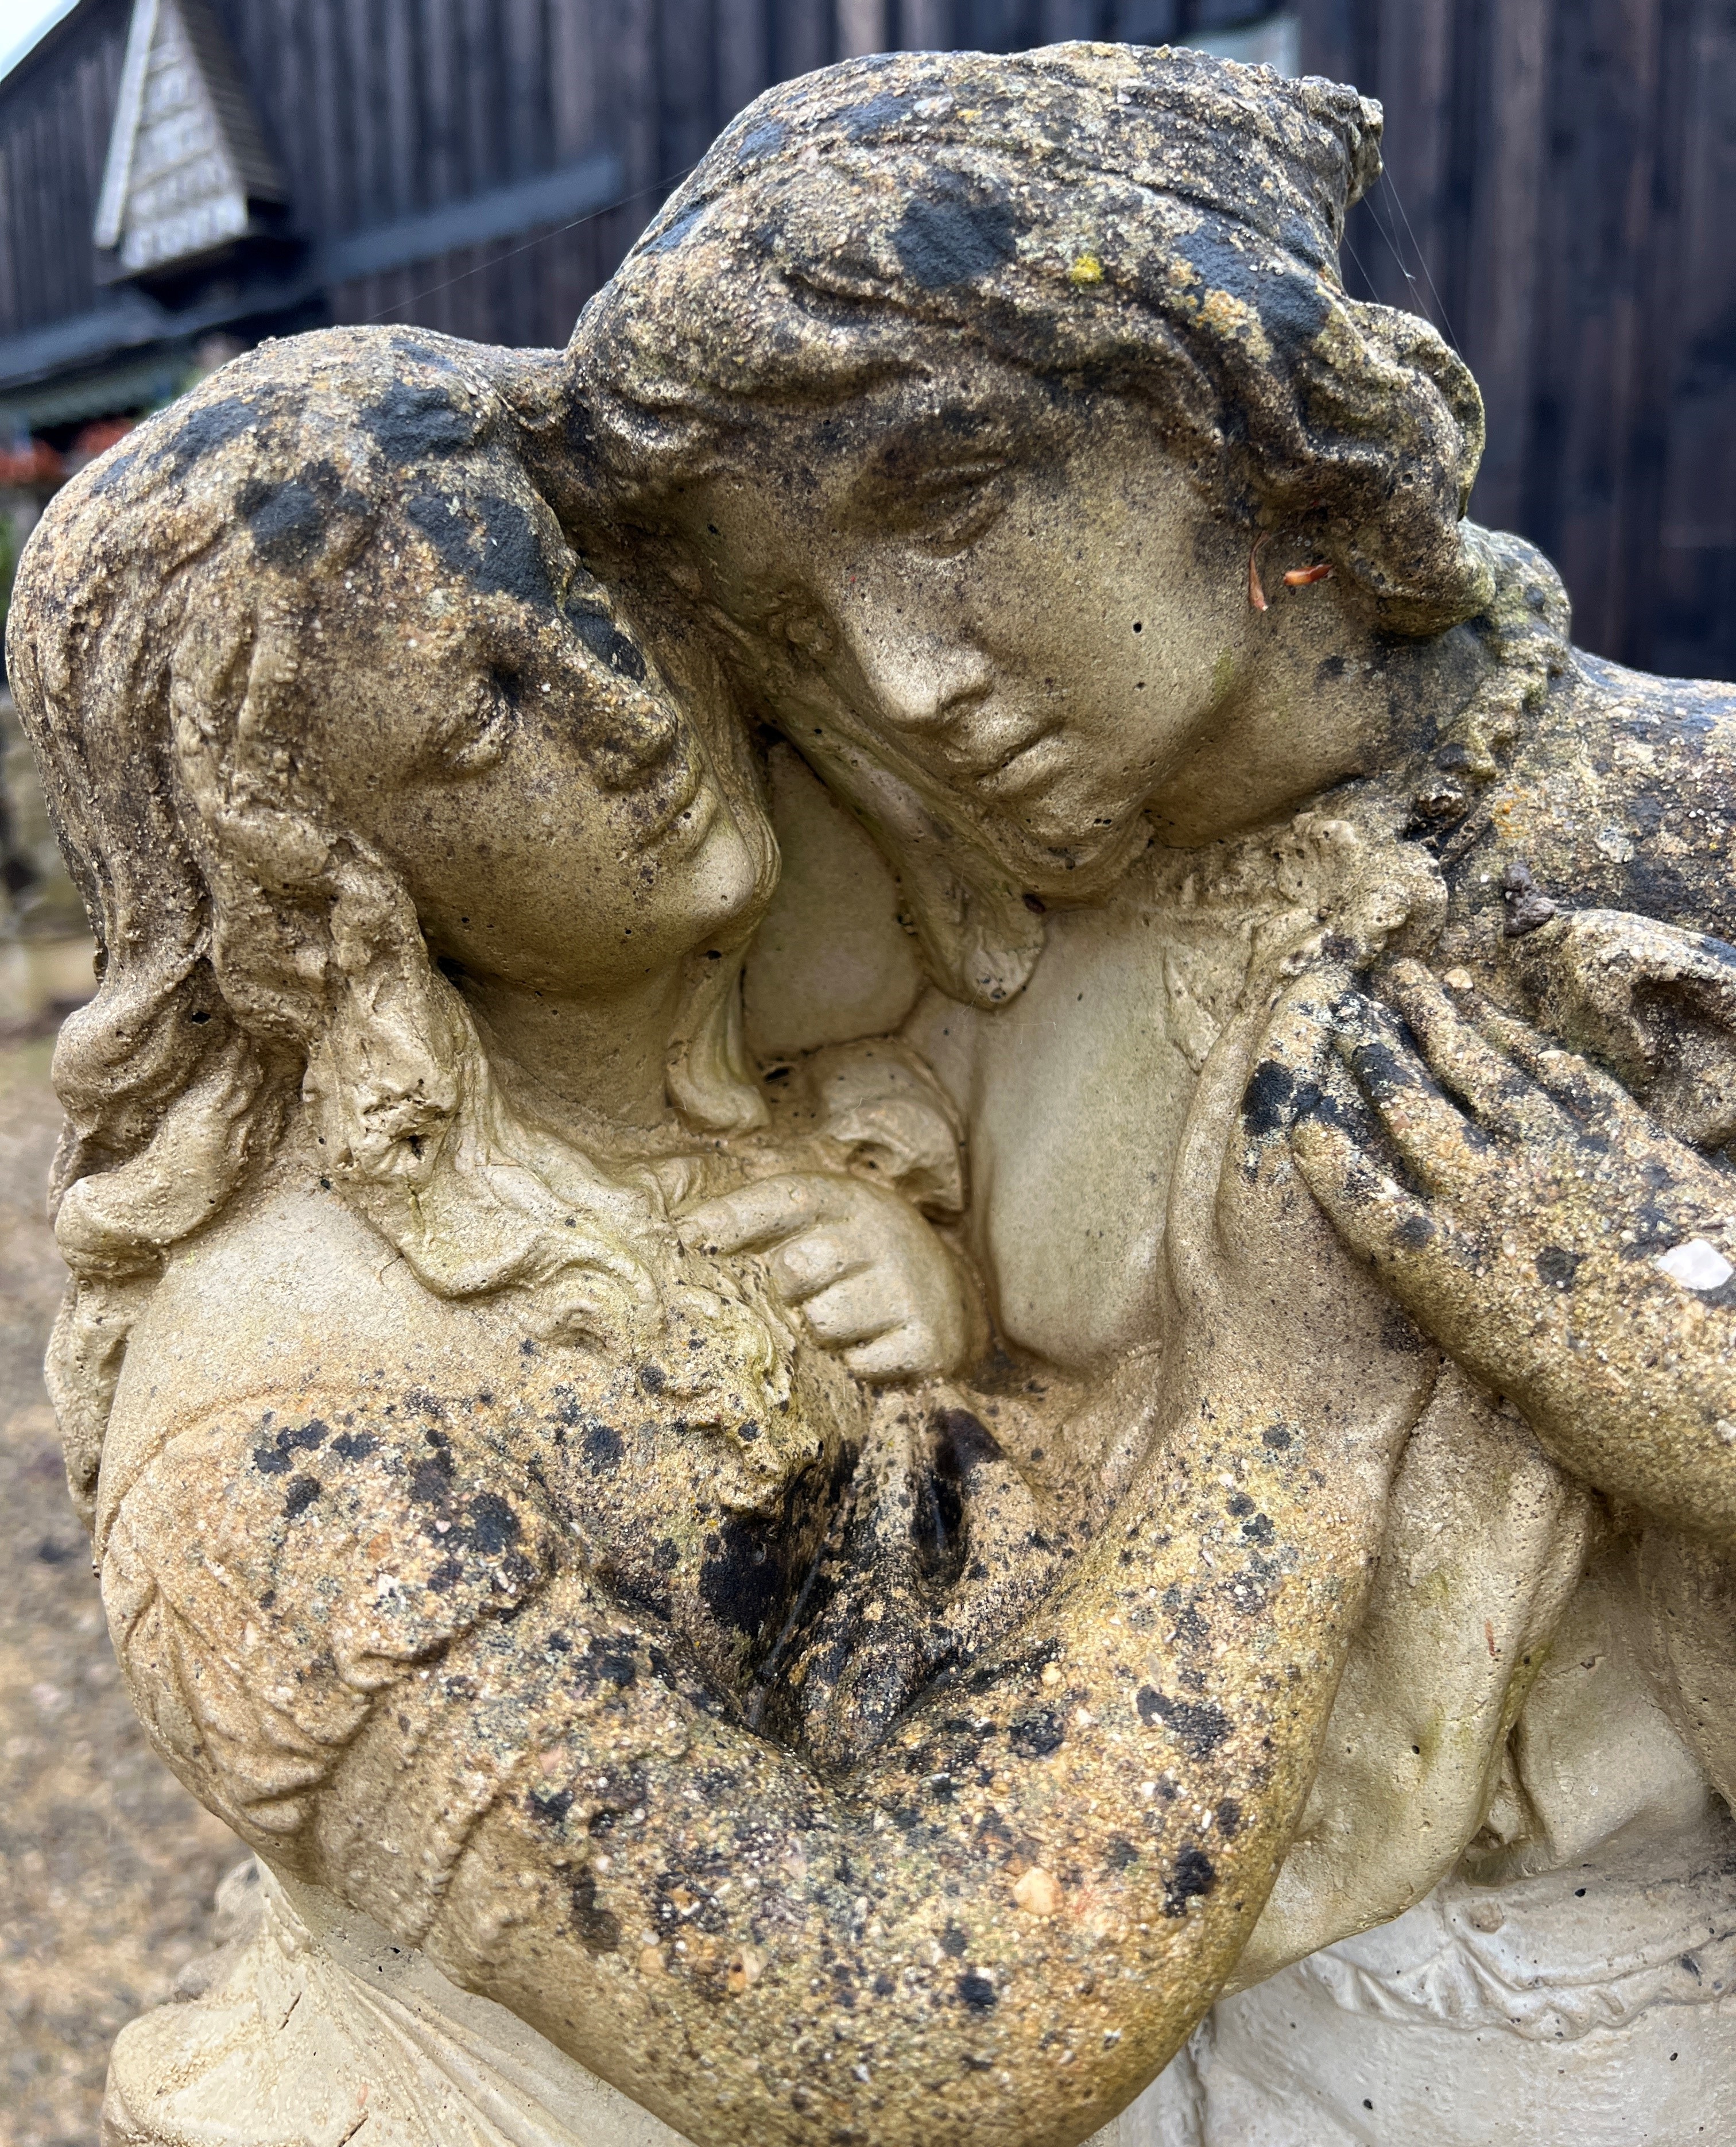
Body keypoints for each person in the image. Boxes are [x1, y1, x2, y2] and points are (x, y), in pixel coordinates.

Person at [10, 323, 1421, 2147]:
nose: (625, 709)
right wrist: (1288, 1407)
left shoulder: (797, 1067)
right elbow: (891, 2030)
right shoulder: (288, 1463)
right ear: (329, 890)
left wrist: (952, 1349)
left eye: (595, 604)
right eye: (486, 714)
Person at [564, 40, 1736, 2140]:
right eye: (801, 626)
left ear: (1233, 406)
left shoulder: (1681, 835)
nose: (905, 681)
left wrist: (1673, 1368)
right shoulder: (965, 945)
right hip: (1148, 2008)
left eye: (940, 505)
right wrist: (903, 1323)